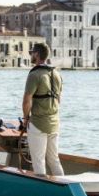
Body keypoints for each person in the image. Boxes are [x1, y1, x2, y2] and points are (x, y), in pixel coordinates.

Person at [22, 43, 64, 176]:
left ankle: (43, 193)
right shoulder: (56, 74)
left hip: (38, 124)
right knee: (54, 160)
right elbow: (59, 100)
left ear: (37, 54)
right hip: (54, 123)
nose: (31, 55)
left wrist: (25, 118)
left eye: (32, 53)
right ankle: (64, 188)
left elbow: (27, 100)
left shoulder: (34, 75)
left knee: (38, 161)